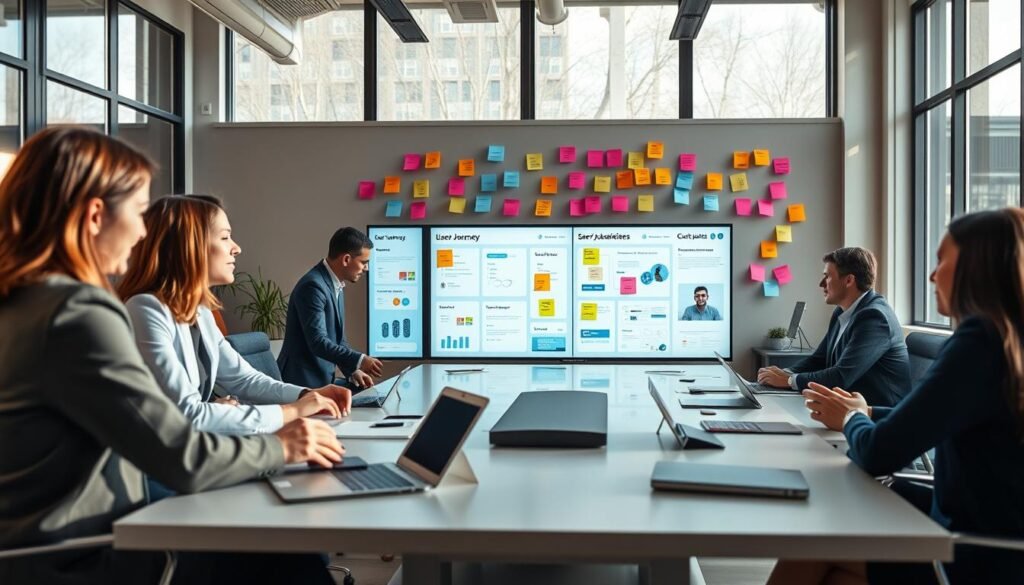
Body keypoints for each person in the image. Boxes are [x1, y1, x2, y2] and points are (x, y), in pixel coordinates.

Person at [0, 127, 341, 585]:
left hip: (33, 553)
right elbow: (181, 453)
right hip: (83, 557)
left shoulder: (24, 304)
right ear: (96, 216)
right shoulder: (78, 314)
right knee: (287, 556)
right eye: (138, 212)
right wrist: (284, 444)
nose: (143, 231)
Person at [768, 209, 1024, 585]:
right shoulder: (1004, 342)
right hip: (993, 541)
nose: (932, 275)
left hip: (974, 554)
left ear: (975, 267)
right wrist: (867, 410)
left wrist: (851, 418)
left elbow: (877, 453)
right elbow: (937, 417)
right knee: (835, 570)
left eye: (941, 260)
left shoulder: (978, 343)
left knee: (817, 540)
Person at [118, 195, 353, 438]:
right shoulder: (146, 309)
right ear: (189, 246)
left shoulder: (200, 312)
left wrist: (306, 395)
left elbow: (244, 380)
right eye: (224, 237)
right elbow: (187, 415)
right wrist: (294, 411)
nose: (236, 248)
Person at [756, 247, 910, 407]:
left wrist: (788, 380)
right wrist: (785, 373)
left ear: (849, 280)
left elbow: (841, 376)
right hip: (845, 406)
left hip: (877, 414)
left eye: (827, 276)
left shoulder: (875, 317)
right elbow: (819, 359)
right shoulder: (841, 311)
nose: (821, 283)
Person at [278, 227, 384, 389]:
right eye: (363, 262)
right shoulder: (313, 286)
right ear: (346, 259)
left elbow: (338, 340)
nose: (366, 268)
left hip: (320, 380)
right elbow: (318, 342)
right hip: (302, 383)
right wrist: (360, 360)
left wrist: (353, 371)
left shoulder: (335, 284)